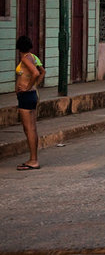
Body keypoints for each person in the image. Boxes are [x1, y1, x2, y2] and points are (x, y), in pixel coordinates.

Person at [15, 35, 45, 170]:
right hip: (32, 95)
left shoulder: (25, 58)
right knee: (32, 128)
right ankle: (33, 159)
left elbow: (35, 73)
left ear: (18, 48)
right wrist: (34, 86)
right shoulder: (33, 57)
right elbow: (42, 71)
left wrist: (27, 87)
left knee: (28, 129)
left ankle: (33, 160)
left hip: (26, 96)